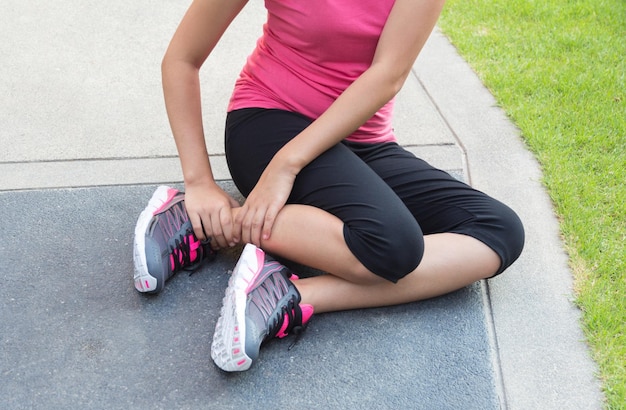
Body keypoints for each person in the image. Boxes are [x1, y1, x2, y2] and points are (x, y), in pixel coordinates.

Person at [133, 0, 525, 372]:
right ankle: (198, 213)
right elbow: (181, 60)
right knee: (393, 247)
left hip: (362, 144)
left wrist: (291, 165)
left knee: (497, 231)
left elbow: (388, 74)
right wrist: (200, 181)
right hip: (269, 125)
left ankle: (288, 291)